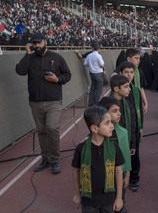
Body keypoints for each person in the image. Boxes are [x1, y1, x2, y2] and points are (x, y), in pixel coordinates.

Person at [16, 32, 71, 174]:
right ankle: (46, 159)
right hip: (35, 101)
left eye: (38, 43)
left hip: (53, 100)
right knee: (41, 131)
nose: (36, 46)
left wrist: (57, 79)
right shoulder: (30, 58)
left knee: (51, 128)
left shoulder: (57, 57)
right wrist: (27, 54)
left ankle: (54, 160)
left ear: (45, 42)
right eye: (34, 43)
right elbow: (20, 71)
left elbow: (67, 74)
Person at [72, 106, 124, 213]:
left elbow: (119, 171)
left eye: (111, 122)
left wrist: (119, 198)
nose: (112, 126)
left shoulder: (114, 147)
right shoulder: (81, 148)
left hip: (108, 199)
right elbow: (76, 171)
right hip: (88, 200)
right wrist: (77, 194)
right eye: (107, 123)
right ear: (94, 129)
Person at [98, 97, 132, 213]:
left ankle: (122, 206)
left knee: (120, 197)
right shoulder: (96, 134)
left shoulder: (123, 132)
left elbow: (126, 156)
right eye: (115, 111)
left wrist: (127, 175)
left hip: (119, 174)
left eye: (119, 110)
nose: (119, 113)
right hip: (102, 177)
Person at [119, 61, 143, 192]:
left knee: (134, 154)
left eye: (131, 72)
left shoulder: (135, 91)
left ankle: (134, 178)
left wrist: (140, 127)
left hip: (133, 129)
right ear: (121, 73)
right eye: (126, 72)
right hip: (120, 130)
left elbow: (139, 110)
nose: (129, 75)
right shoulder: (116, 91)